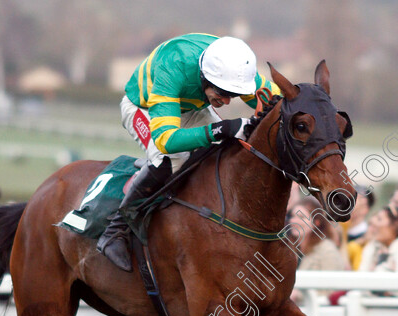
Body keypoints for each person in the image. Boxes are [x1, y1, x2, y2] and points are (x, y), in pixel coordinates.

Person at [98, 33, 280, 271]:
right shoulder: (173, 66)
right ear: (205, 76)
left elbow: (278, 102)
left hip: (191, 107)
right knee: (170, 161)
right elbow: (167, 140)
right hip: (144, 107)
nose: (226, 101)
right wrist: (223, 128)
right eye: (222, 93)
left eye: (232, 95)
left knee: (228, 150)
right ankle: (115, 230)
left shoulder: (234, 67)